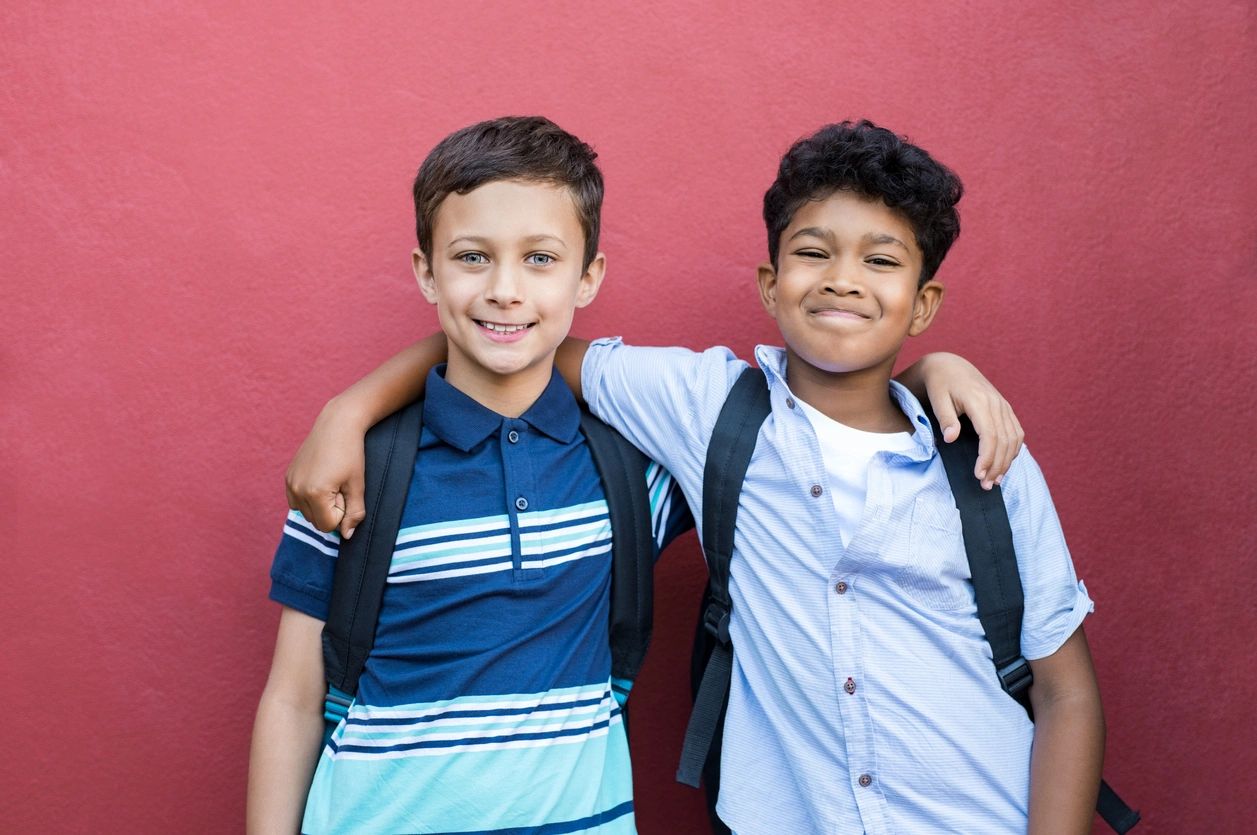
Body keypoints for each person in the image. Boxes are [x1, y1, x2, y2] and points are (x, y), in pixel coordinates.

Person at [284, 121, 1080, 834]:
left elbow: (1067, 693)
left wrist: (930, 371)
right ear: (769, 283)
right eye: (812, 252)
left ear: (922, 301)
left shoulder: (984, 458)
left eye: (878, 261)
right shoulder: (703, 411)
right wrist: (350, 411)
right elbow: (513, 340)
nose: (842, 279)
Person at [247, 116, 693, 834]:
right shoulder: (352, 473)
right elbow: (294, 698)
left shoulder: (630, 472)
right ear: (427, 271)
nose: (505, 290)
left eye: (541, 259)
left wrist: (927, 374)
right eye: (472, 257)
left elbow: (800, 423)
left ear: (589, 277)